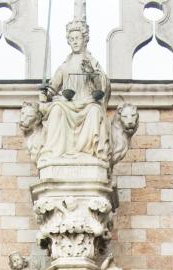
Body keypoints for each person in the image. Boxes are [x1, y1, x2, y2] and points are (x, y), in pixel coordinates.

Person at [39, 22, 111, 166]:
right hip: (68, 104)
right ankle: (52, 153)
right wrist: (45, 92)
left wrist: (92, 73)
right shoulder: (64, 66)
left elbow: (102, 88)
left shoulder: (92, 63)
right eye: (71, 39)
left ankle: (90, 153)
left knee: (95, 111)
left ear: (85, 39)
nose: (75, 41)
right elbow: (52, 89)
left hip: (87, 102)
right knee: (56, 109)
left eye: (78, 38)